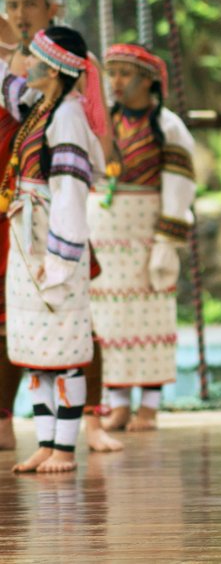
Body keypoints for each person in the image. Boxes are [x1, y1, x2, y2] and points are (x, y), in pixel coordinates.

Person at [1, 26, 102, 474]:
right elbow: (8, 86)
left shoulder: (67, 118)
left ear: (55, 68)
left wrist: (60, 258)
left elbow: (69, 193)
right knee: (38, 350)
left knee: (63, 350)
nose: (29, 64)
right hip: (28, 239)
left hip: (51, 244)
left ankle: (65, 447)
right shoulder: (42, 106)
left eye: (36, 59)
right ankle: (46, 441)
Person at [90, 43, 195, 432]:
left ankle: (148, 406)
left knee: (149, 316)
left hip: (147, 233)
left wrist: (167, 242)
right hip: (105, 235)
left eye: (123, 73)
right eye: (111, 73)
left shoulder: (168, 127)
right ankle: (117, 403)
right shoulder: (103, 124)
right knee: (108, 320)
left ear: (148, 80)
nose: (115, 81)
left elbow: (179, 185)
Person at [0, 0, 60, 450]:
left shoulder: (66, 63)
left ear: (51, 10)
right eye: (13, 3)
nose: (21, 12)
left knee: (35, 310)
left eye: (31, 3)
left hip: (40, 202)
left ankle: (67, 425)